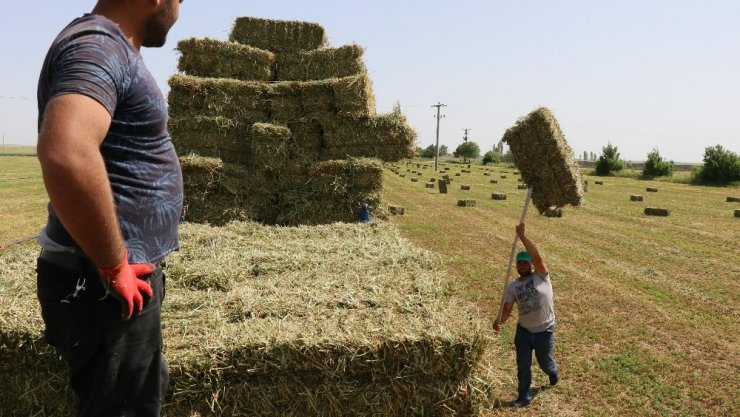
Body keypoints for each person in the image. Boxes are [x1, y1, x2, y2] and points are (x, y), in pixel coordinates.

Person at [35, 1, 184, 415]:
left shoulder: (110, 46)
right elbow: (66, 152)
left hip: (108, 282)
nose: (178, 10)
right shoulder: (98, 46)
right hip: (99, 284)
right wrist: (114, 264)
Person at [493, 223, 559, 408]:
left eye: (525, 262)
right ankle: (524, 397)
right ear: (516, 266)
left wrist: (522, 236)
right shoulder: (513, 286)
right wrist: (498, 321)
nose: (522, 265)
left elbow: (537, 256)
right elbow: (507, 310)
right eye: (519, 262)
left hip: (544, 331)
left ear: (530, 264)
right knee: (523, 366)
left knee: (544, 362)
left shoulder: (541, 276)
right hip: (523, 333)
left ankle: (553, 371)